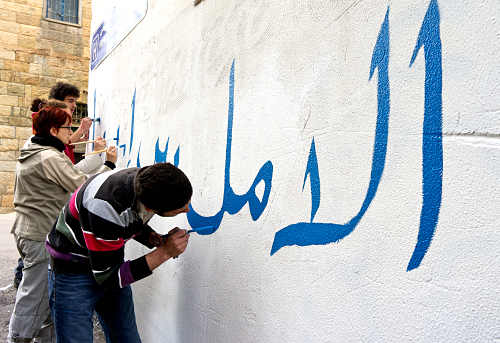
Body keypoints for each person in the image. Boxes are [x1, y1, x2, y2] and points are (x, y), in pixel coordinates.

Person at [46, 163, 192, 343]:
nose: (188, 208)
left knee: (127, 338)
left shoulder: (148, 182)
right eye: (180, 208)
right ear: (151, 208)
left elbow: (127, 219)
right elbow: (109, 278)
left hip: (107, 261)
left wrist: (151, 237)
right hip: (73, 270)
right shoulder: (103, 205)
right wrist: (164, 253)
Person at [8, 106, 118, 343]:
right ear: (53, 129)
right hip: (38, 233)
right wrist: (108, 165)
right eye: (69, 127)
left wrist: (97, 155)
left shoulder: (37, 148)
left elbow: (70, 171)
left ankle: (43, 338)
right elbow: (81, 186)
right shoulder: (48, 155)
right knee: (35, 294)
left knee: (46, 292)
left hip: (29, 230)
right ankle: (17, 338)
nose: (73, 133)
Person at [48, 82, 93, 163]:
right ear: (59, 101)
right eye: (71, 101)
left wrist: (81, 139)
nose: (74, 105)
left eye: (75, 101)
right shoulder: (50, 120)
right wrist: (81, 130)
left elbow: (66, 144)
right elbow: (63, 147)